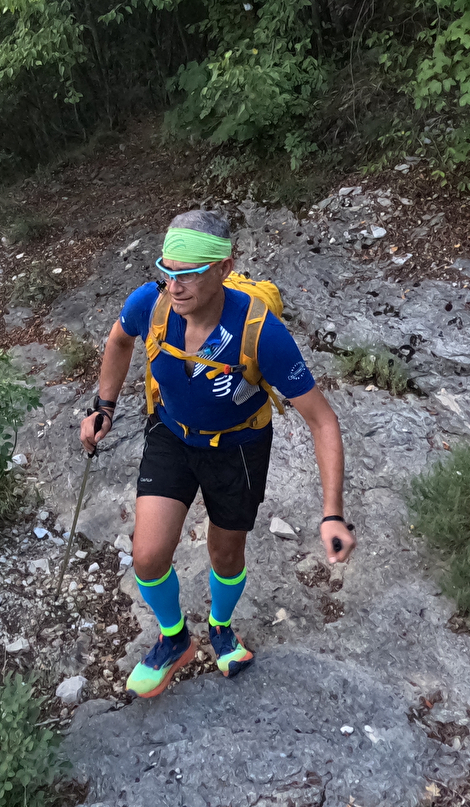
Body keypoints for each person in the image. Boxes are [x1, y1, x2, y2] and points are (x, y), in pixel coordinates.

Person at [80, 209, 355, 698]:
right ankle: (174, 639)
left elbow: (322, 419)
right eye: (168, 272)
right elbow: (119, 340)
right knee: (146, 557)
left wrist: (332, 514)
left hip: (239, 448)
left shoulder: (261, 332)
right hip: (171, 433)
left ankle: (221, 627)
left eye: (189, 274)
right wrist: (104, 404)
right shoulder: (151, 302)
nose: (175, 286)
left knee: (225, 554)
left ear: (223, 269)